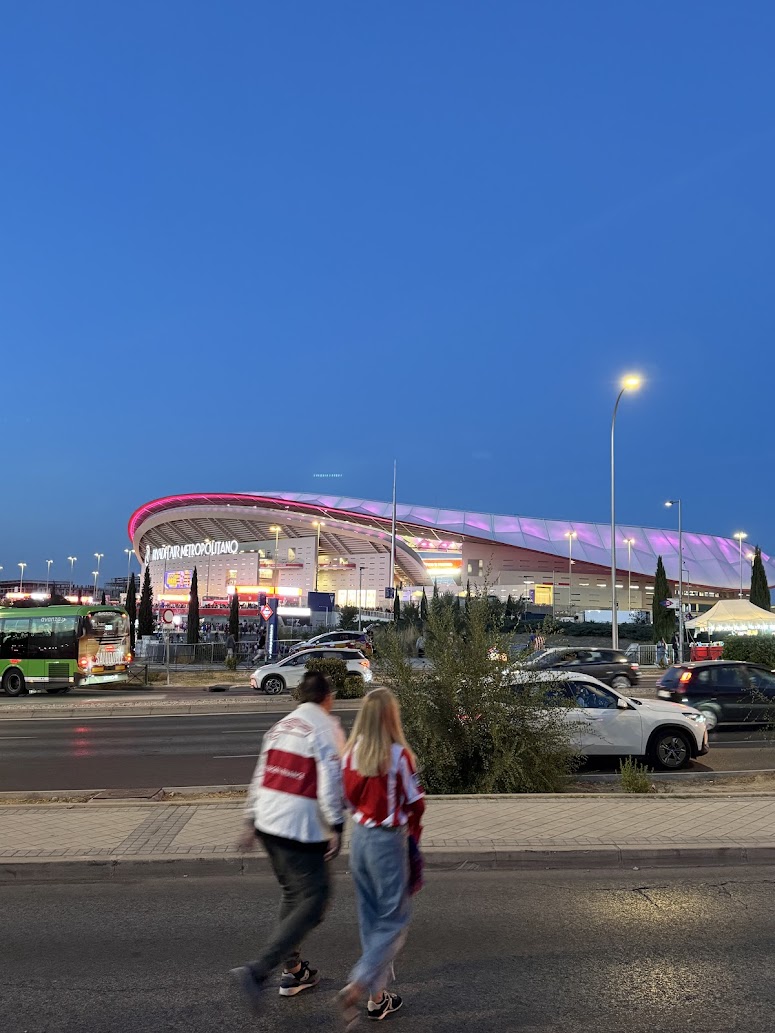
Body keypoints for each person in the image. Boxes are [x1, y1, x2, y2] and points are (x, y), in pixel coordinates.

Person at [230, 671, 346, 1013]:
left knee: (294, 893)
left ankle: (294, 971)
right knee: (316, 897)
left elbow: (261, 773)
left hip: (268, 823)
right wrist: (337, 825)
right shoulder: (326, 728)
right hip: (298, 826)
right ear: (327, 697)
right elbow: (330, 782)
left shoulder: (281, 726)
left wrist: (251, 821)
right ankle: (258, 970)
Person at [337, 688, 425, 1026]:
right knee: (394, 922)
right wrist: (413, 838)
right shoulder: (398, 756)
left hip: (359, 839)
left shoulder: (350, 755)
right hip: (388, 842)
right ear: (391, 717)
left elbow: (345, 800)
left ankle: (377, 997)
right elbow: (416, 803)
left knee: (370, 919)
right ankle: (358, 986)